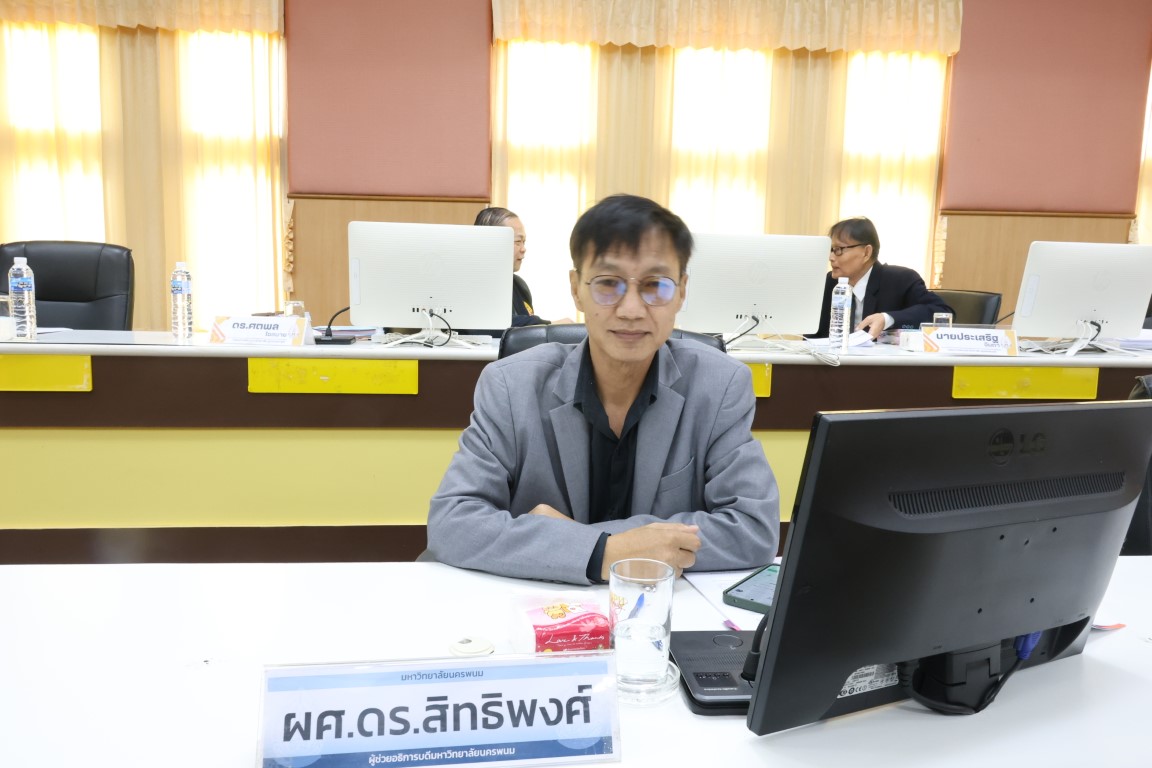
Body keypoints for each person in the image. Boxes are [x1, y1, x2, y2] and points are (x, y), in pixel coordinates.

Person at [428, 194, 780, 584]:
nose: (631, 310)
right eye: (608, 284)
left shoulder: (720, 386)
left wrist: (586, 542)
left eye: (656, 285)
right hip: (540, 606)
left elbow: (753, 529)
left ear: (681, 291)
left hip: (661, 608)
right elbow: (452, 522)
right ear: (576, 289)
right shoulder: (510, 386)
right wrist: (604, 552)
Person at [813, 216, 952, 339]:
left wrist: (888, 319)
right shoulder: (830, 283)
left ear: (866, 253)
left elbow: (942, 312)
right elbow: (813, 335)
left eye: (838, 250)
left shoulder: (900, 279)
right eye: (831, 250)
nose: (831, 257)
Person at [474, 206, 573, 327]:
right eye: (517, 241)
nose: (523, 249)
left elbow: (525, 330)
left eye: (524, 242)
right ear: (491, 242)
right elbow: (492, 323)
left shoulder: (519, 285)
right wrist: (550, 325)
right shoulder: (471, 285)